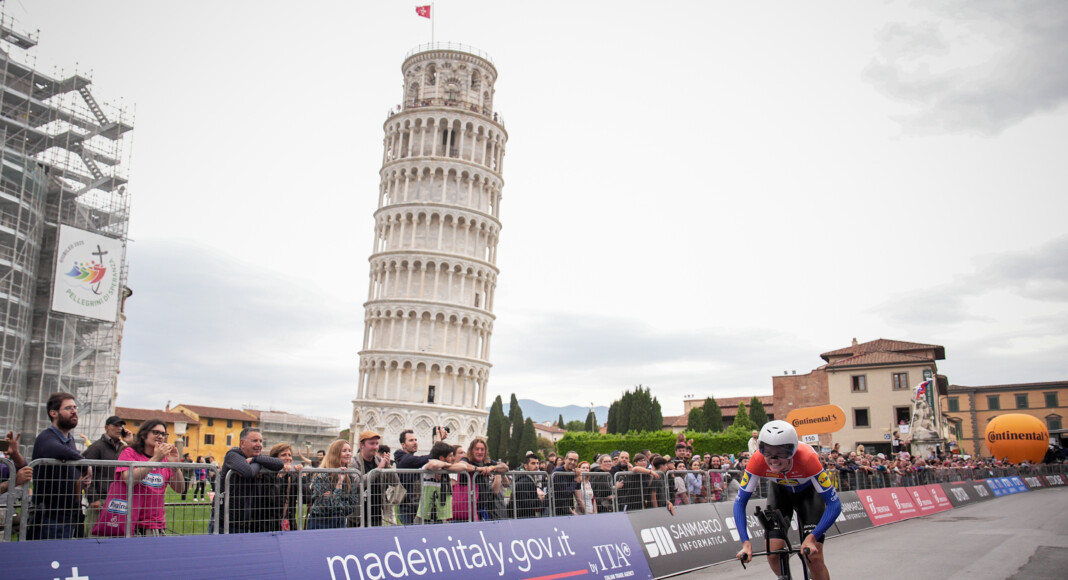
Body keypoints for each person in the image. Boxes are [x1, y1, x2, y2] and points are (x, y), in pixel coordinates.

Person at [734, 420, 841, 580]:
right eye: (766, 452)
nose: (773, 459)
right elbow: (740, 502)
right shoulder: (757, 460)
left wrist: (812, 537)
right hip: (780, 492)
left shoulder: (808, 458)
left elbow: (834, 504)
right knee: (773, 553)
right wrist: (745, 543)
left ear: (792, 450)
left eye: (781, 453)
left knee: (814, 557)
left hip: (809, 494)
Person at [28, 392, 91, 540]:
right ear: (53, 413)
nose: (74, 411)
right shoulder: (46, 437)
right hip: (50, 517)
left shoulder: (70, 439)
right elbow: (56, 449)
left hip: (69, 515)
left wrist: (81, 478)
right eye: (68, 408)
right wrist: (85, 465)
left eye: (75, 407)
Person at [110, 419, 185, 535]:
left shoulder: (165, 458)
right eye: (156, 432)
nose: (160, 436)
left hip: (155, 523)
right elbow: (129, 480)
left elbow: (180, 489)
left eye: (163, 434)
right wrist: (155, 459)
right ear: (143, 435)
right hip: (131, 522)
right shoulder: (129, 453)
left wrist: (175, 466)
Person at [220, 427, 284, 533]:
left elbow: (280, 463)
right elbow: (248, 471)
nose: (259, 444)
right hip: (226, 524)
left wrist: (255, 460)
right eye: (255, 441)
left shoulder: (256, 457)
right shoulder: (232, 455)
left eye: (261, 441)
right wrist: (259, 464)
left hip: (247, 524)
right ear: (242, 443)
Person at [83, 415, 131, 527]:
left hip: (119, 499)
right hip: (101, 499)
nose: (119, 428)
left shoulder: (123, 447)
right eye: (116, 425)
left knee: (116, 532)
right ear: (107, 427)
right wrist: (93, 498)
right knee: (95, 532)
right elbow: (86, 473)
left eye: (121, 426)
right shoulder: (96, 447)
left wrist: (130, 442)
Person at [394, 427, 449, 525]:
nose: (415, 443)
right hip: (408, 507)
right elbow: (429, 458)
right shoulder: (404, 459)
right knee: (411, 533)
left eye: (416, 440)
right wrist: (438, 440)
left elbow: (431, 458)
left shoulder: (410, 459)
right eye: (411, 440)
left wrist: (438, 442)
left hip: (417, 504)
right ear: (403, 445)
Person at [351, 430, 401, 527]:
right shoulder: (353, 462)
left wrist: (388, 467)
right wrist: (378, 469)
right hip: (357, 516)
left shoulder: (379, 460)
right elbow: (357, 484)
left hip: (376, 514)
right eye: (371, 443)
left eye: (376, 444)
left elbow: (395, 483)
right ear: (362, 445)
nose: (375, 447)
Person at [307, 439, 360, 529]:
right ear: (335, 453)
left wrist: (333, 496)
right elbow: (327, 505)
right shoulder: (322, 475)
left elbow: (352, 505)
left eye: (349, 451)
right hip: (320, 523)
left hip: (340, 522)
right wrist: (339, 485)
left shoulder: (350, 476)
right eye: (344, 451)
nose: (348, 453)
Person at [458, 437, 508, 521]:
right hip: (467, 509)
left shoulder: (486, 462)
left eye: (482, 449)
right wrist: (479, 469)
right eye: (477, 449)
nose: (480, 452)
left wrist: (492, 468)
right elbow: (462, 464)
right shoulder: (467, 460)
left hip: (482, 509)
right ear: (472, 450)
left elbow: (505, 467)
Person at [266, 443, 306, 531]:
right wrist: (280, 477)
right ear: (275, 459)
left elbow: (307, 499)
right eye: (283, 455)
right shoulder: (267, 474)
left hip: (289, 524)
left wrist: (300, 477)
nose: (288, 458)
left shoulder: (292, 476)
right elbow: (272, 500)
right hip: (269, 526)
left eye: (289, 455)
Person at [512, 452, 548, 518]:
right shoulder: (524, 481)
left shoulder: (528, 478)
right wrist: (539, 499)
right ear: (526, 466)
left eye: (537, 463)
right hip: (522, 518)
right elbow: (525, 504)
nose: (536, 466)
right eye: (533, 463)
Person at [552, 450, 580, 516]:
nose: (572, 462)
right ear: (565, 459)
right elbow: (565, 492)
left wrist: (578, 476)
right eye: (570, 459)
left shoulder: (573, 472)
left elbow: (577, 489)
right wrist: (575, 481)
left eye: (575, 460)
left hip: (567, 508)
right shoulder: (558, 472)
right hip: (555, 509)